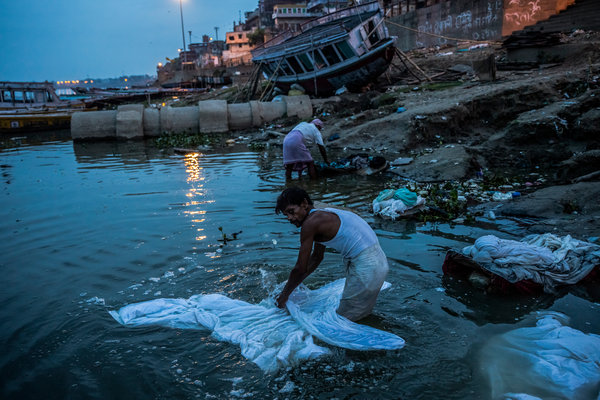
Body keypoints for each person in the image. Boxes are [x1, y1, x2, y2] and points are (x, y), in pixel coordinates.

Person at [274, 187, 389, 321]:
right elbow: (316, 258)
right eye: (286, 215)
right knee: (358, 315)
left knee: (344, 320)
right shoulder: (321, 215)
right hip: (376, 263)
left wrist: (283, 296)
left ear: (304, 204)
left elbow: (300, 268)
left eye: (291, 212)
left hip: (367, 267)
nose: (289, 218)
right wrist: (293, 286)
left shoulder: (310, 223)